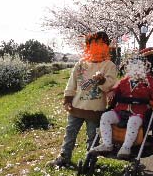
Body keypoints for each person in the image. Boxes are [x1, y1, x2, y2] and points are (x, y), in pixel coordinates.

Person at [48, 31, 117, 167]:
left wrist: (101, 80)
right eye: (94, 43)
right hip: (76, 107)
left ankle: (90, 161)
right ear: (88, 46)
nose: (97, 46)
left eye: (101, 44)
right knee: (70, 134)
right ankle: (64, 158)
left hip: (95, 109)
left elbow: (109, 85)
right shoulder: (80, 64)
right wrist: (67, 100)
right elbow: (71, 83)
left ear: (106, 47)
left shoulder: (109, 65)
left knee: (93, 137)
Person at [91, 55, 153, 159]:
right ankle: (107, 144)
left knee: (133, 121)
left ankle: (126, 147)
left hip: (137, 114)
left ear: (145, 68)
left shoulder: (149, 83)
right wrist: (112, 91)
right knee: (106, 116)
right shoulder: (125, 81)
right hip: (120, 112)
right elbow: (116, 89)